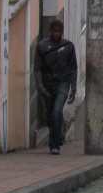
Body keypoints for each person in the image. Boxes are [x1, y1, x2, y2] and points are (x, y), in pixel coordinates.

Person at [33, 20, 77, 155]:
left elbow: (73, 68)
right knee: (51, 113)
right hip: (47, 84)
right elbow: (37, 68)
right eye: (54, 31)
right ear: (50, 32)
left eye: (59, 31)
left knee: (57, 110)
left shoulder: (68, 46)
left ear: (62, 33)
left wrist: (73, 88)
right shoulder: (42, 46)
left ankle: (54, 146)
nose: (57, 34)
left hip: (63, 83)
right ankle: (58, 134)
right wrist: (40, 85)